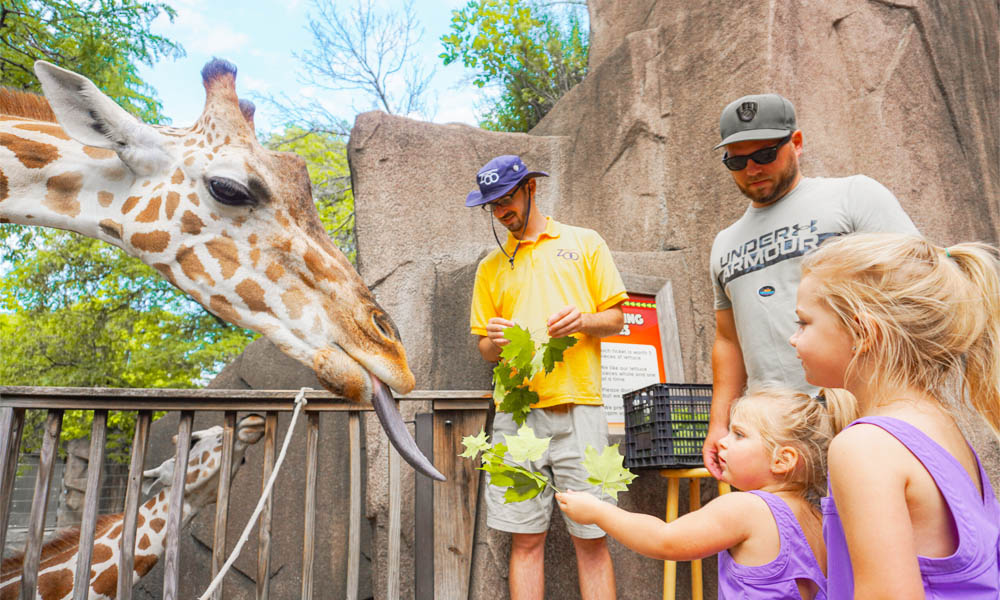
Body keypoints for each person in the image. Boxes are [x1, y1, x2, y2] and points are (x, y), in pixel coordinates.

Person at [703, 92, 919, 478]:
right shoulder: (724, 243)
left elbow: (918, 287)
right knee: (786, 535)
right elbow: (728, 340)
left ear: (797, 143)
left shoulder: (852, 196)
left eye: (765, 154)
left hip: (857, 409)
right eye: (736, 160)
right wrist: (719, 425)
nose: (752, 168)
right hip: (772, 430)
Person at [789, 232, 1000, 598]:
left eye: (804, 323)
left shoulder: (864, 446)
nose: (794, 339)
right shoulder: (941, 425)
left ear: (862, 331)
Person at [467, 155, 628, 600]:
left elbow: (616, 318)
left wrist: (583, 321)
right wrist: (494, 340)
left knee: (593, 537)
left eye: (507, 199)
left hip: (582, 410)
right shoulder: (490, 268)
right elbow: (483, 346)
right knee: (525, 540)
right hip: (516, 419)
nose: (502, 212)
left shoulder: (584, 242)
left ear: (531, 189)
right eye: (493, 206)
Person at [558, 386, 846, 600]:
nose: (722, 441)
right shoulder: (816, 516)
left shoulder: (747, 508)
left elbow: (665, 540)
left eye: (739, 434)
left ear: (782, 460)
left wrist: (598, 511)